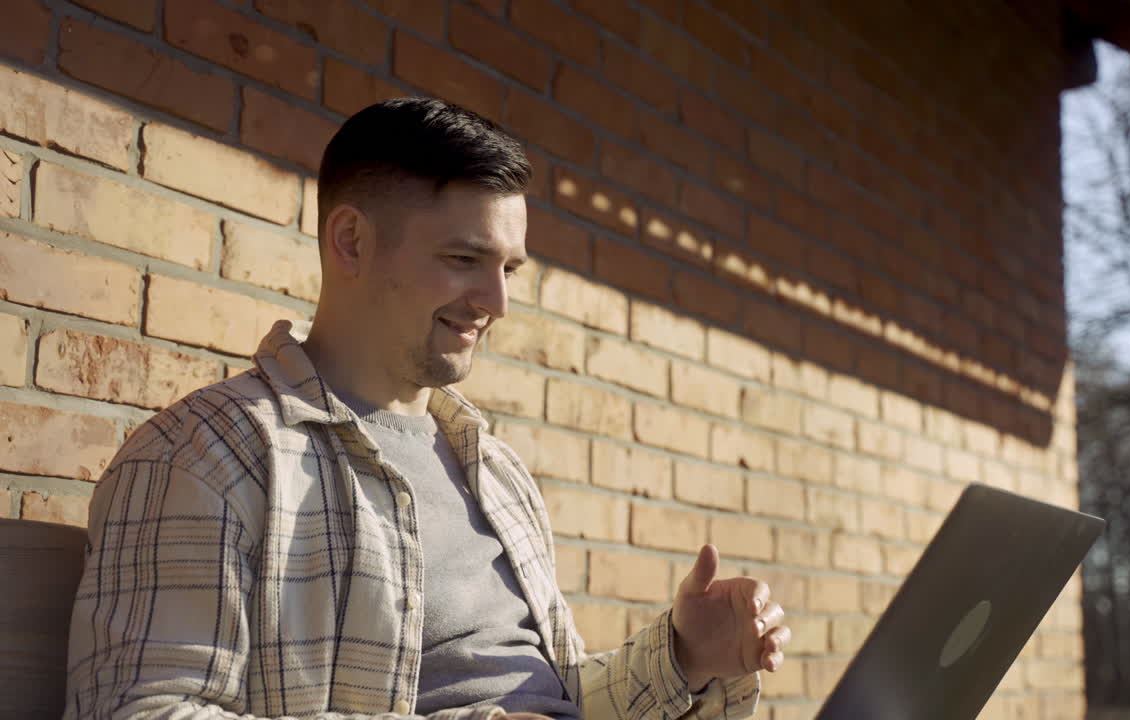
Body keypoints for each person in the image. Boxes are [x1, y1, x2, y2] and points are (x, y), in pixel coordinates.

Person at [64, 98, 790, 720]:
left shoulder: (495, 469)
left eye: (509, 269)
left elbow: (552, 700)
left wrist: (685, 657)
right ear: (351, 241)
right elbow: (146, 708)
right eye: (464, 259)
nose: (498, 303)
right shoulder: (208, 458)